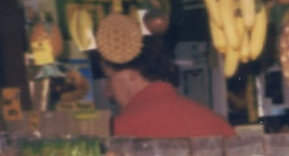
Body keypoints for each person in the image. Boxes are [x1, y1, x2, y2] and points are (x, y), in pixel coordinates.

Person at [99, 35, 235, 139]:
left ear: (131, 75)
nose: (107, 92)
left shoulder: (119, 130)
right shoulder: (218, 123)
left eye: (110, 78)